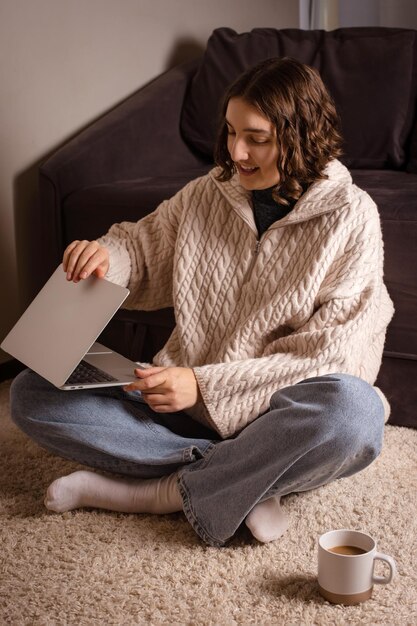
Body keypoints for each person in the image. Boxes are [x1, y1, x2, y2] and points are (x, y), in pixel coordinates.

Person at [10, 57, 394, 547]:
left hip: (277, 415)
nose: (236, 152)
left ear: (302, 136)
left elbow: (335, 359)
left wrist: (204, 384)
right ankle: (242, 480)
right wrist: (106, 255)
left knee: (353, 414)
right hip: (176, 402)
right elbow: (144, 247)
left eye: (257, 138)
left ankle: (159, 490)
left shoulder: (352, 218)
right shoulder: (206, 194)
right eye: (231, 131)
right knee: (31, 389)